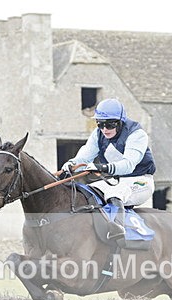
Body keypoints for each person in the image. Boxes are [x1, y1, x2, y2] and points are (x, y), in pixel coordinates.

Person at [61, 98, 156, 240]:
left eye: (110, 124)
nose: (104, 129)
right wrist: (71, 163)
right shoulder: (98, 134)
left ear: (120, 122)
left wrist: (102, 167)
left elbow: (128, 165)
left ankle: (118, 229)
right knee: (86, 191)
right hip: (115, 180)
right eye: (100, 123)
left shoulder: (137, 134)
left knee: (115, 193)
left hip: (140, 181)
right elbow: (85, 156)